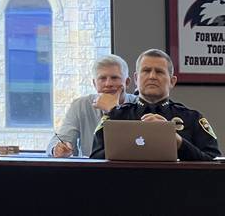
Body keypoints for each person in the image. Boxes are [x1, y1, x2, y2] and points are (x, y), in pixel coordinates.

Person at [90, 49, 221, 161]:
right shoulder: (116, 117)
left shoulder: (192, 119)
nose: (152, 76)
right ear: (136, 79)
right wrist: (130, 143)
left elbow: (214, 162)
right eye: (146, 71)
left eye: (159, 72)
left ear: (172, 81)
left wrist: (178, 142)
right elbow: (94, 159)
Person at [46, 54, 137, 157]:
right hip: (91, 170)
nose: (108, 84)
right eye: (102, 78)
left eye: (114, 78)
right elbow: (61, 139)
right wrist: (57, 149)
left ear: (127, 82)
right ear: (94, 84)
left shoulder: (138, 104)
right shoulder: (81, 105)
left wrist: (113, 110)